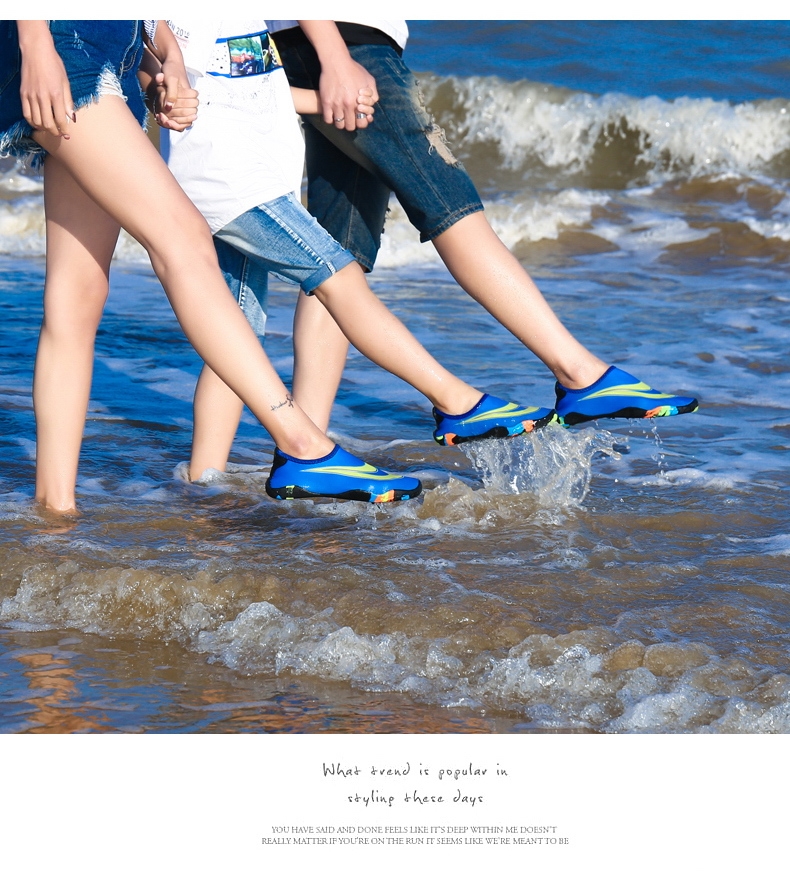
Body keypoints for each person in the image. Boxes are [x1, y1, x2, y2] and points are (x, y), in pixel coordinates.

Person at [0, 19, 423, 510]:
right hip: (66, 45)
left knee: (78, 296)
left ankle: (55, 510)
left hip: (113, 56)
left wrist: (168, 58)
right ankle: (303, 445)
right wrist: (35, 43)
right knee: (184, 239)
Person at [146, 19, 556, 483]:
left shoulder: (247, 19)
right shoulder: (172, 21)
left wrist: (325, 101)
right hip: (229, 184)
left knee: (237, 330)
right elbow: (157, 72)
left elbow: (256, 86)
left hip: (260, 181)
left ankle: (203, 484)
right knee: (338, 273)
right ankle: (455, 401)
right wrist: (163, 88)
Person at [266, 19, 699, 430]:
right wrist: (335, 56)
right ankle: (580, 374)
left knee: (336, 256)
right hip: (346, 44)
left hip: (317, 43)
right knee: (448, 202)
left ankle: (306, 446)